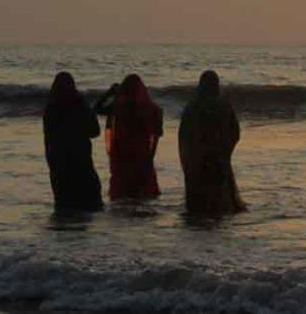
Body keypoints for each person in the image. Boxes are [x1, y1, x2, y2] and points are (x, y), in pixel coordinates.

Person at [179, 70, 246, 214]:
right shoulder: (223, 105)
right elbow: (235, 131)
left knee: (200, 194)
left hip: (198, 158)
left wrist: (188, 158)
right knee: (219, 194)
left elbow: (184, 135)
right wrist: (227, 150)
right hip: (219, 156)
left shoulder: (193, 106)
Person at [95, 74, 163, 201]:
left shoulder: (118, 107)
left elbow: (97, 109)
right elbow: (158, 134)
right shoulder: (153, 109)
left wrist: (110, 92)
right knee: (143, 195)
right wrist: (150, 158)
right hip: (142, 155)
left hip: (122, 156)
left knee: (123, 195)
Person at [43, 71, 103, 211]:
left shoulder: (50, 109)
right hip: (82, 164)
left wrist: (51, 165)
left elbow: (48, 140)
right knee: (89, 209)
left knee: (63, 210)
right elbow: (95, 132)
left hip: (59, 166)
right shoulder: (81, 106)